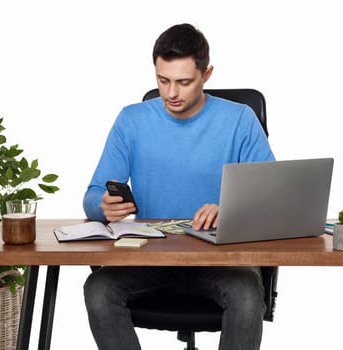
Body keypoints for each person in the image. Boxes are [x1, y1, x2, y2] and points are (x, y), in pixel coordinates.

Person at [83, 23, 275, 350]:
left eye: (184, 82)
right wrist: (102, 206)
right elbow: (92, 195)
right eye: (162, 80)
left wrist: (231, 210)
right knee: (98, 289)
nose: (171, 93)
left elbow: (272, 197)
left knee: (245, 293)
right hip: (151, 259)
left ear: (207, 74)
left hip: (222, 261)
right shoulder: (132, 120)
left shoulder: (240, 120)